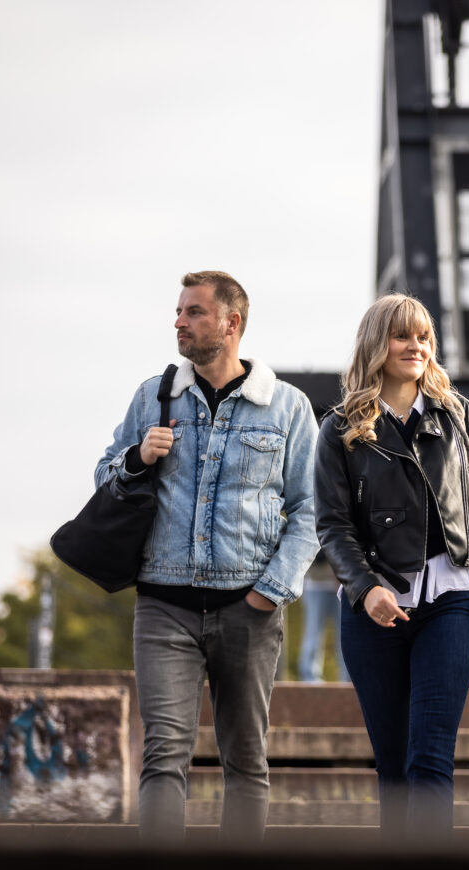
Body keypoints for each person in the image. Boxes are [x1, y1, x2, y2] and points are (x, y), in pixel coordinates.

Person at [95, 271, 318, 845]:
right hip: (164, 604)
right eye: (178, 311)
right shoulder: (153, 396)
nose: (179, 321)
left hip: (249, 606)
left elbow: (313, 509)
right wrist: (138, 458)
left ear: (230, 323)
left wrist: (273, 587)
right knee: (163, 755)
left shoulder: (288, 407)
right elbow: (104, 476)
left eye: (193, 312)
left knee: (245, 760)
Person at [313, 293, 469, 843]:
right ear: (376, 342)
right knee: (393, 767)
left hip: (452, 600)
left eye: (425, 337)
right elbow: (332, 526)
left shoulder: (460, 417)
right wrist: (365, 590)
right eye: (402, 335)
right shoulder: (338, 429)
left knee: (430, 757)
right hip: (375, 609)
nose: (416, 346)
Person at [298, 563, 348, 682]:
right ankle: (310, 679)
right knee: (313, 634)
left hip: (345, 584)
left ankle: (348, 680)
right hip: (315, 583)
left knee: (346, 636)